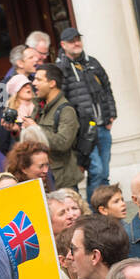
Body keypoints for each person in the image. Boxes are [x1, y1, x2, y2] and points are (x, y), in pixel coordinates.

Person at [54, 27, 117, 200]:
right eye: (72, 41)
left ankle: (102, 208)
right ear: (63, 45)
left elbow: (107, 88)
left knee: (104, 172)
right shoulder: (61, 69)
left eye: (78, 39)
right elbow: (60, 100)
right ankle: (92, 210)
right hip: (84, 133)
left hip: (102, 126)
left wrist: (111, 115)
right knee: (96, 169)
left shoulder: (92, 62)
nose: (76, 43)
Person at [30, 63, 81, 191]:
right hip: (45, 179)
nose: (34, 83)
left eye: (39, 79)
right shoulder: (39, 106)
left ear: (52, 83)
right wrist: (16, 130)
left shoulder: (66, 110)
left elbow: (63, 143)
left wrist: (37, 129)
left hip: (63, 182)